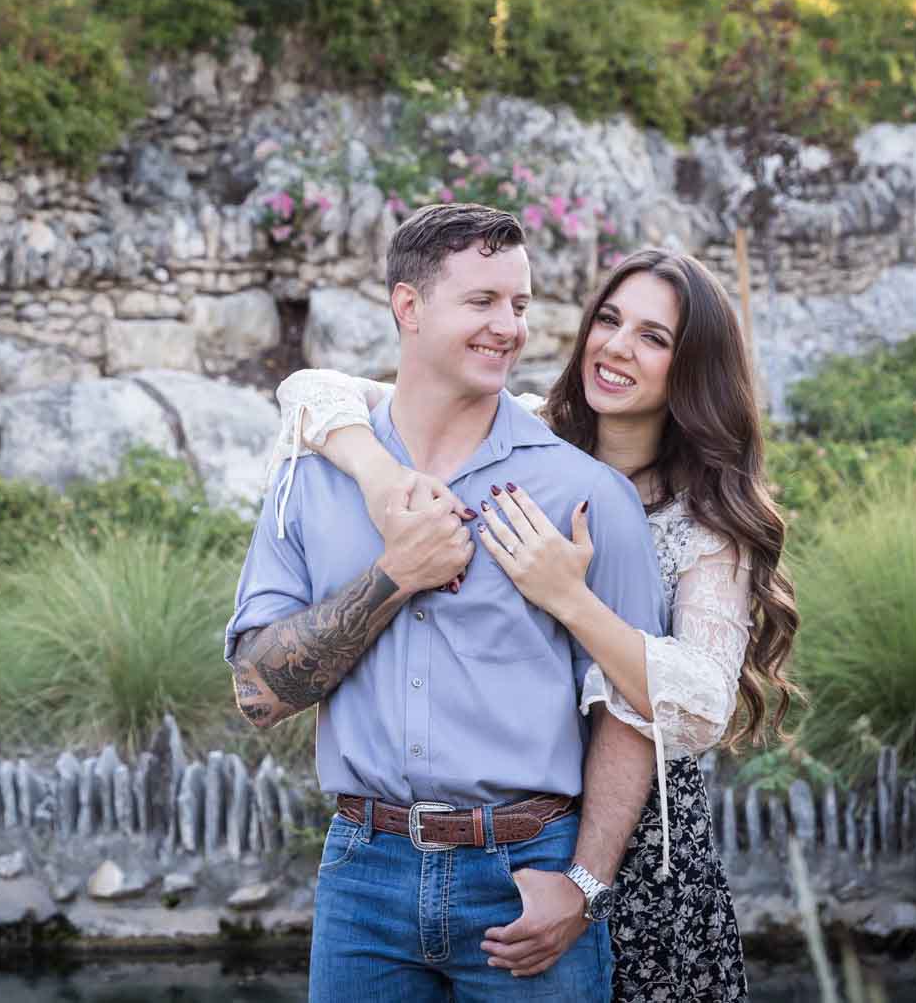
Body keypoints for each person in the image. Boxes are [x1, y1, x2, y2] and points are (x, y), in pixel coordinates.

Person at [274, 247, 800, 1002]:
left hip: (639, 858)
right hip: (515, 850)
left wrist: (570, 598)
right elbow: (310, 389)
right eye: (609, 320)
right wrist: (378, 473)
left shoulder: (706, 523)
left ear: (694, 369)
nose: (617, 346)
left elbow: (698, 705)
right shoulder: (520, 431)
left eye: (653, 337)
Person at [225, 203, 669, 1001]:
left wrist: (585, 882)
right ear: (409, 305)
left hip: (528, 877)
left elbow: (635, 708)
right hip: (362, 881)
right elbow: (258, 692)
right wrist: (393, 577)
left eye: (520, 304)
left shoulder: (586, 493)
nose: (509, 327)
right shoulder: (312, 477)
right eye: (482, 301)